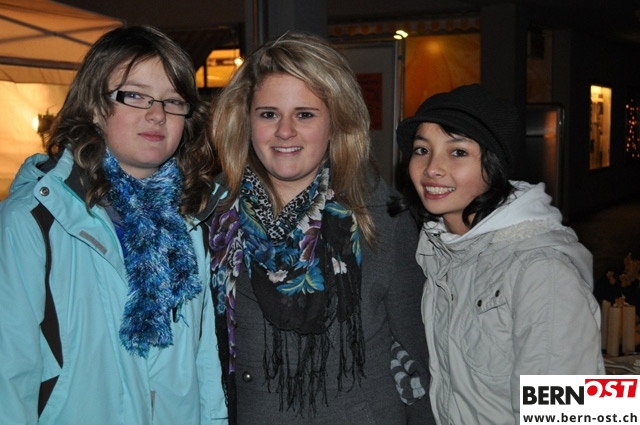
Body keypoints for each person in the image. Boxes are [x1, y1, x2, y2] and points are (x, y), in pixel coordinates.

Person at [0, 25, 227, 424]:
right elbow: (9, 379)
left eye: (173, 101)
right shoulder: (33, 220)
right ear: (93, 106)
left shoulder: (191, 220)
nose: (157, 114)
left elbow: (203, 364)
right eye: (135, 95)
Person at [208, 31, 433, 424]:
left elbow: (420, 353)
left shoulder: (381, 216)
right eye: (268, 114)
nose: (285, 131)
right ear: (245, 121)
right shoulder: (215, 217)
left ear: (335, 123)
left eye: (305, 114)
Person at [394, 84, 605, 425]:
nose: (432, 168)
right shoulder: (436, 250)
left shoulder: (542, 270)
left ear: (494, 165)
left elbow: (569, 415)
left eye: (458, 152)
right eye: (422, 150)